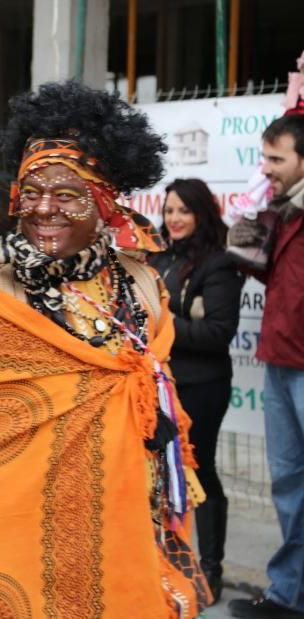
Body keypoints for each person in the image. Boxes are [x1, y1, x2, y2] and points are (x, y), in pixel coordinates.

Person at [0, 80, 210, 618]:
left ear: (104, 203)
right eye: (30, 193)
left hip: (131, 514)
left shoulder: (143, 284)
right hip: (29, 536)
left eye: (66, 195)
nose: (43, 209)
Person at [149, 178, 242, 604]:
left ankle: (210, 569)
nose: (174, 218)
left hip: (202, 388)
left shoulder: (218, 264)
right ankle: (168, 561)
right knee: (161, 477)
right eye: (169, 210)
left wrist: (164, 323)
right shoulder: (158, 257)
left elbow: (217, 332)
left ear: (201, 213)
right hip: (160, 384)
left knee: (200, 473)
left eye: (183, 210)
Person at [227, 114, 304, 619]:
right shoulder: (284, 210)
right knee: (290, 483)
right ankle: (288, 595)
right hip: (280, 357)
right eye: (264, 157)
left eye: (277, 159)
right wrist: (248, 223)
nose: (267, 168)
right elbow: (260, 267)